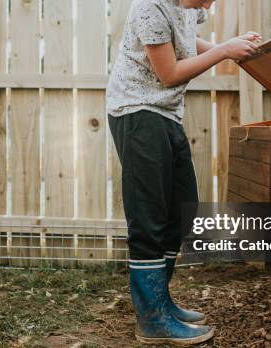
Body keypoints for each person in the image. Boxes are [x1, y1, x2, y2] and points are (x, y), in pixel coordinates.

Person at [106, 0, 262, 345]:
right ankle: (151, 320)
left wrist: (229, 46)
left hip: (166, 113)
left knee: (180, 213)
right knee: (150, 217)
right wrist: (224, 51)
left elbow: (187, 42)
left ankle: (161, 303)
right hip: (136, 111)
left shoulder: (188, 7)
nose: (210, 3)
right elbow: (170, 73)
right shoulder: (149, 8)